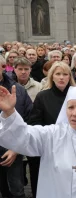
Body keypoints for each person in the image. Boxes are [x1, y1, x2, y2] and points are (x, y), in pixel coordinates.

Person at [0, 86, 76, 198]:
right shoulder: (52, 134)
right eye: (70, 107)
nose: (74, 113)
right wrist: (10, 112)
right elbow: (24, 137)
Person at [27, 61, 76, 197]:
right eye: (58, 74)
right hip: (49, 148)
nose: (61, 77)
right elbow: (35, 124)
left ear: (69, 77)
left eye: (65, 74)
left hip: (73, 148)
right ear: (52, 76)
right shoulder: (42, 96)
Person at [0, 55, 32, 198]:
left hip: (12, 150)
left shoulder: (18, 90)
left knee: (16, 191)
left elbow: (29, 120)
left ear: (2, 67)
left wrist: (17, 148)